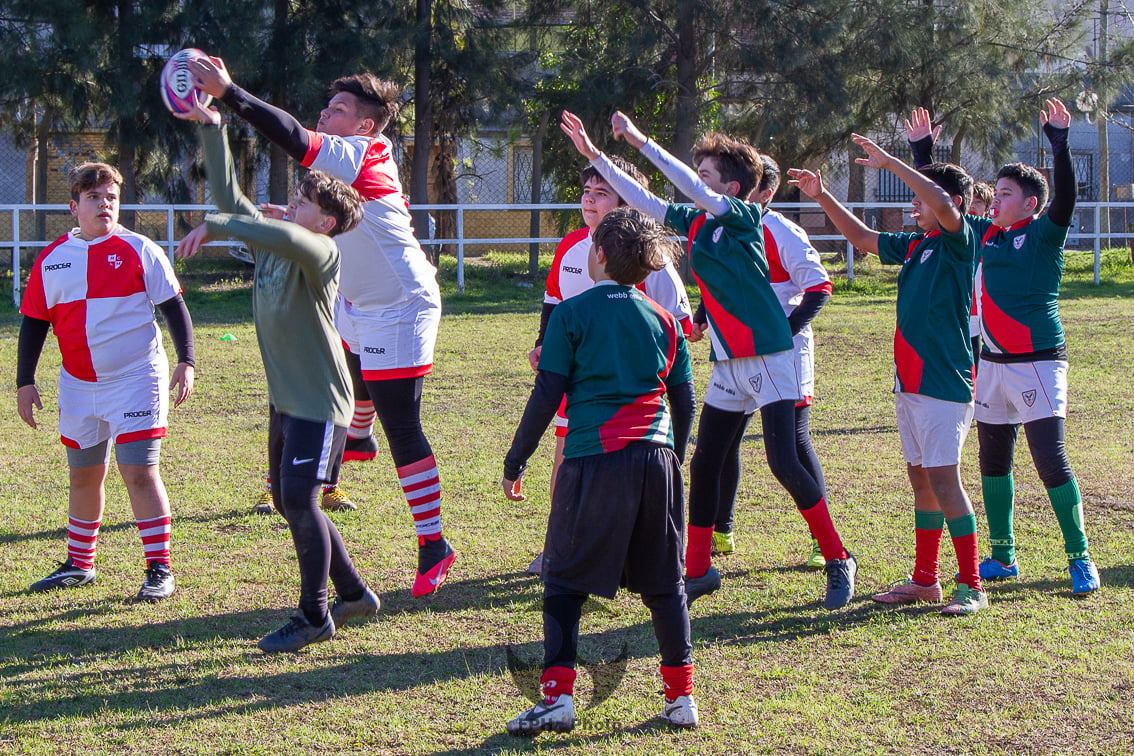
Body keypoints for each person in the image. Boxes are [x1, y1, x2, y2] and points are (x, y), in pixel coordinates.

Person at [560, 110, 856, 610]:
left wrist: (639, 138)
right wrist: (596, 156)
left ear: (733, 189)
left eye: (707, 176)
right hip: (728, 360)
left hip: (770, 355)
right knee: (705, 460)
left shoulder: (742, 218)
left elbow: (678, 181)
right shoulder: (697, 221)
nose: (696, 182)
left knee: (784, 460)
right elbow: (646, 201)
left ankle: (837, 557)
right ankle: (697, 570)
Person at [191, 58, 455, 597]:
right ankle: (358, 434)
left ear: (364, 125)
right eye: (326, 106)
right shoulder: (343, 172)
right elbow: (327, 218)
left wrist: (231, 93)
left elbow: (291, 135)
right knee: (339, 365)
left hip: (401, 304)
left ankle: (433, 543)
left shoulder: (362, 149)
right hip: (356, 302)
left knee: (401, 422)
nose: (323, 114)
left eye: (336, 109)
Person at [174, 98, 380, 652]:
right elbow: (229, 199)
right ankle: (355, 593)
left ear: (327, 221)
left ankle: (315, 614)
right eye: (295, 196)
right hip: (286, 401)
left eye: (304, 200)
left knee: (301, 499)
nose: (293, 203)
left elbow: (277, 233)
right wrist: (214, 128)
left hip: (320, 401)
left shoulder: (320, 253)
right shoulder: (273, 249)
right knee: (293, 501)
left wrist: (221, 225)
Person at [501, 208, 698, 735]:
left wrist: (516, 459)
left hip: (593, 458)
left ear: (602, 255)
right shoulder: (665, 319)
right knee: (664, 583)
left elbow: (547, 394)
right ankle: (681, 700)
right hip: (656, 460)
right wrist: (672, 455)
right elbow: (685, 400)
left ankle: (557, 699)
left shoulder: (571, 315)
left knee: (563, 580)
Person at [788, 133, 989, 614]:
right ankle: (925, 580)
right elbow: (861, 238)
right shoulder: (917, 244)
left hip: (944, 382)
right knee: (920, 479)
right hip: (911, 382)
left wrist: (892, 163)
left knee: (945, 480)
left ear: (951, 204)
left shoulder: (960, 240)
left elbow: (940, 200)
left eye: (919, 201)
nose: (913, 208)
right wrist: (822, 196)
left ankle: (972, 584)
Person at [17, 162, 195, 601]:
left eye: (111, 197)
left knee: (138, 471)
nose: (105, 204)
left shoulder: (140, 249)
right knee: (83, 476)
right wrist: (25, 381)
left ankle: (159, 568)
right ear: (74, 206)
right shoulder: (52, 258)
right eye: (95, 197)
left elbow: (173, 307)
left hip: (136, 378)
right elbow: (35, 323)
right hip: (78, 384)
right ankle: (79, 564)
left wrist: (187, 360)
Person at [524, 154, 692, 575]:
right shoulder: (569, 246)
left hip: (632, 392)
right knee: (565, 464)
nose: (590, 201)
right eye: (586, 192)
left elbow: (678, 325)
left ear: (627, 203)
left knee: (627, 471)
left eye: (603, 193)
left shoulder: (651, 257)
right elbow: (553, 303)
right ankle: (559, 548)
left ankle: (631, 554)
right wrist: (544, 344)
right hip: (578, 382)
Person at [973, 98, 1099, 594]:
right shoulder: (987, 236)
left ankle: (1079, 556)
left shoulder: (1045, 233)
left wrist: (1061, 144)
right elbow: (946, 207)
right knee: (992, 458)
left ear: (1030, 204)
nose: (994, 200)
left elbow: (1064, 197)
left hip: (1039, 363)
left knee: (1050, 459)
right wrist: (922, 152)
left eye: (1004, 194)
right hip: (991, 364)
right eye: (994, 193)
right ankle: (1003, 556)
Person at [696, 154, 833, 568]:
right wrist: (703, 317)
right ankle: (722, 528)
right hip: (735, 355)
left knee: (791, 446)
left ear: (764, 192)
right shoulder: (722, 229)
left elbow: (820, 287)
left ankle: (820, 539)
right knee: (722, 444)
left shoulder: (782, 232)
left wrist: (780, 333)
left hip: (783, 356)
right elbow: (721, 283)